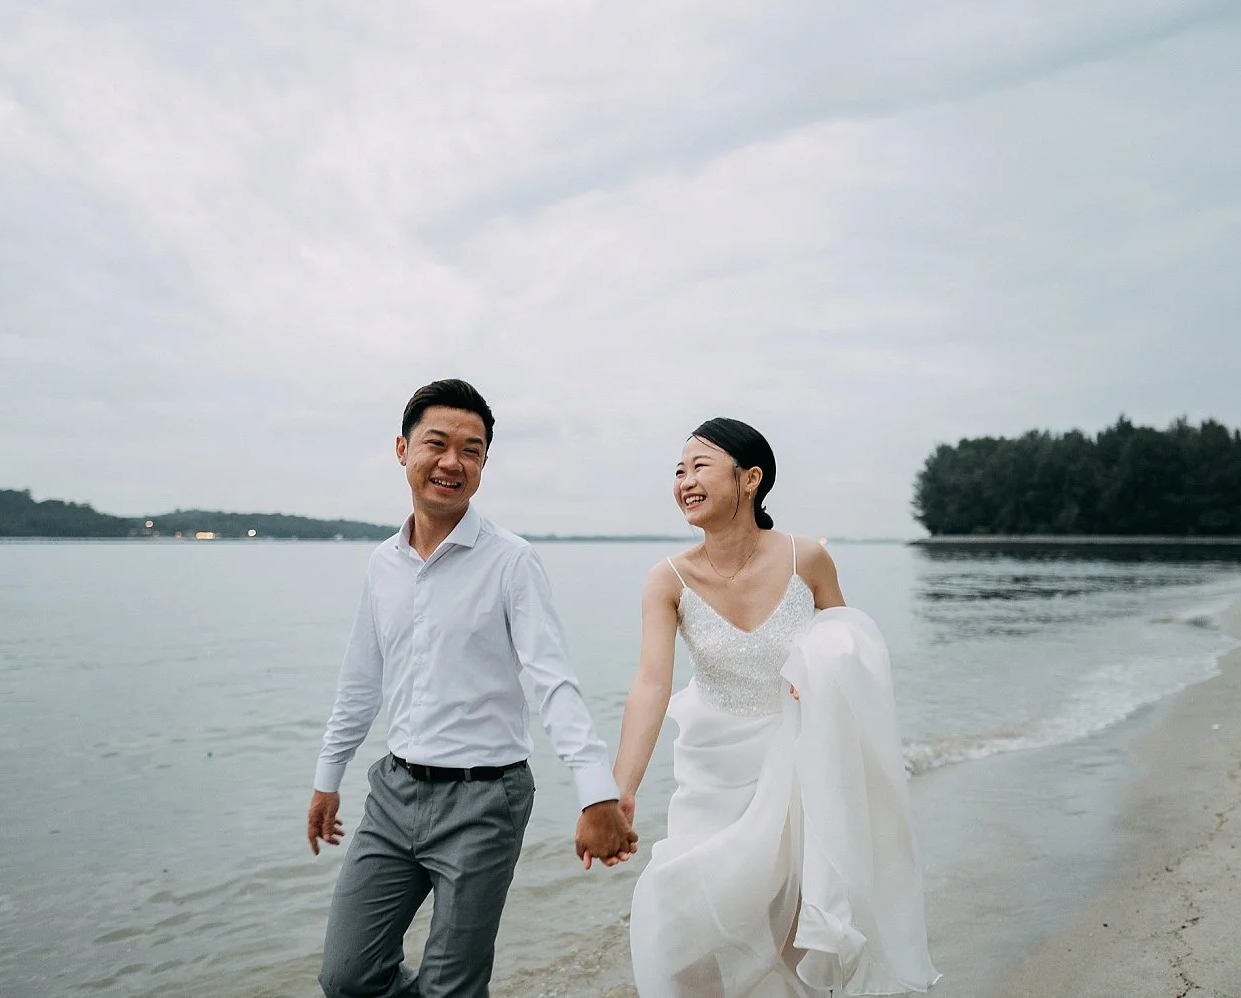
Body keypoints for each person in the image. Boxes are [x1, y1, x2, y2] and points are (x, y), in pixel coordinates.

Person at [307, 379, 637, 998]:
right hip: (394, 792)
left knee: (451, 987)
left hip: (486, 800)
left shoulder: (511, 561)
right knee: (347, 977)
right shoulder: (382, 564)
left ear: (484, 465)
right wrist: (328, 777)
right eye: (437, 443)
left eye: (473, 450)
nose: (452, 462)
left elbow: (553, 682)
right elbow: (360, 681)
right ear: (403, 450)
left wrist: (599, 795)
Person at [613, 417, 940, 997]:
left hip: (799, 764)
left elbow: (850, 645)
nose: (685, 480)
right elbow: (649, 685)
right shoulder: (667, 580)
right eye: (679, 470)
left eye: (699, 467)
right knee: (678, 912)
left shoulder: (807, 559)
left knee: (792, 928)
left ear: (750, 479)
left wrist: (813, 671)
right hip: (711, 774)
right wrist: (622, 789)